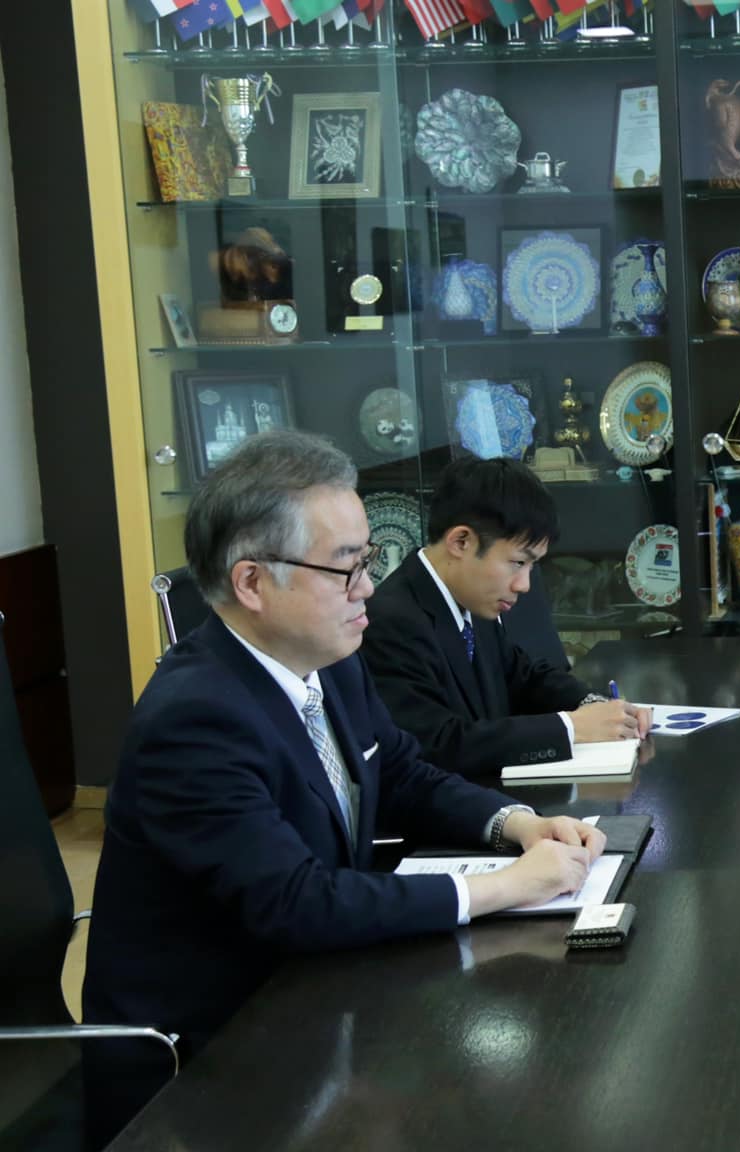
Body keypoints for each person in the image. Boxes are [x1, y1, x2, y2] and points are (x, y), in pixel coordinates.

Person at [83, 431, 605, 1143]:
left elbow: (401, 770)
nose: (367, 589)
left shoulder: (328, 658)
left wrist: (515, 823)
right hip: (209, 1063)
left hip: (315, 995)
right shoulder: (195, 719)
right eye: (345, 568)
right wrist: (506, 887)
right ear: (252, 583)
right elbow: (297, 902)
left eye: (368, 562)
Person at [361, 456, 648, 778]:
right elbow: (438, 744)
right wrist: (571, 727)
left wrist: (597, 705)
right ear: (461, 542)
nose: (524, 585)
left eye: (532, 566)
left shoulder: (472, 598)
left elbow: (523, 678)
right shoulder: (390, 622)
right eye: (517, 563)